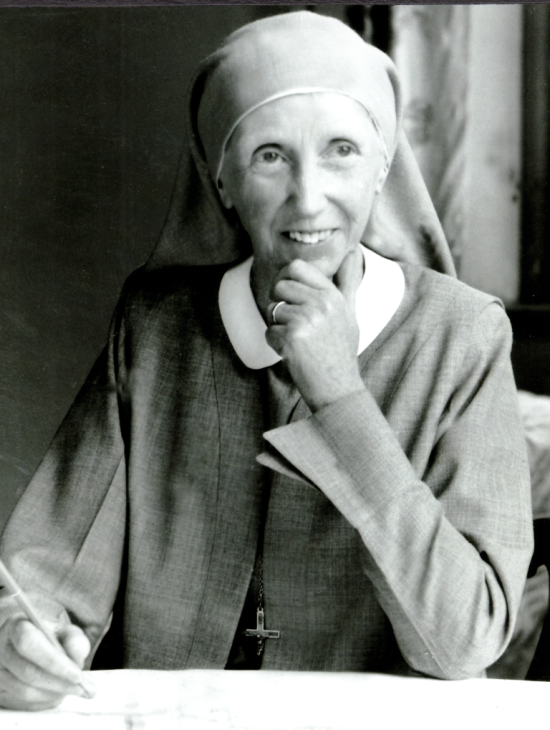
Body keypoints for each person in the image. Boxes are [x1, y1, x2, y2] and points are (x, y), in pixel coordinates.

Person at [0, 11, 533, 711]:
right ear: (220, 180)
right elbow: (48, 574)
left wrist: (342, 399)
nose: (308, 198)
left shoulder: (463, 336)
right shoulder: (157, 325)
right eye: (270, 156)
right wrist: (21, 639)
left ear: (383, 165)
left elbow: (465, 640)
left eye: (341, 150)